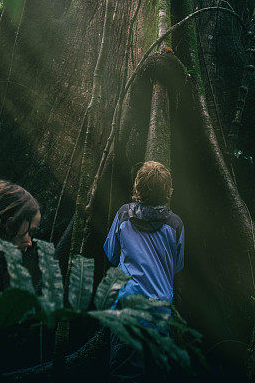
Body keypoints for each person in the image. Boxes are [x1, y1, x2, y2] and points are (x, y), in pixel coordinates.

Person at [103, 161, 184, 381]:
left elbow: (110, 253)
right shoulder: (175, 224)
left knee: (125, 374)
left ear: (137, 188)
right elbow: (177, 266)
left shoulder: (123, 215)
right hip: (159, 312)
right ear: (168, 191)